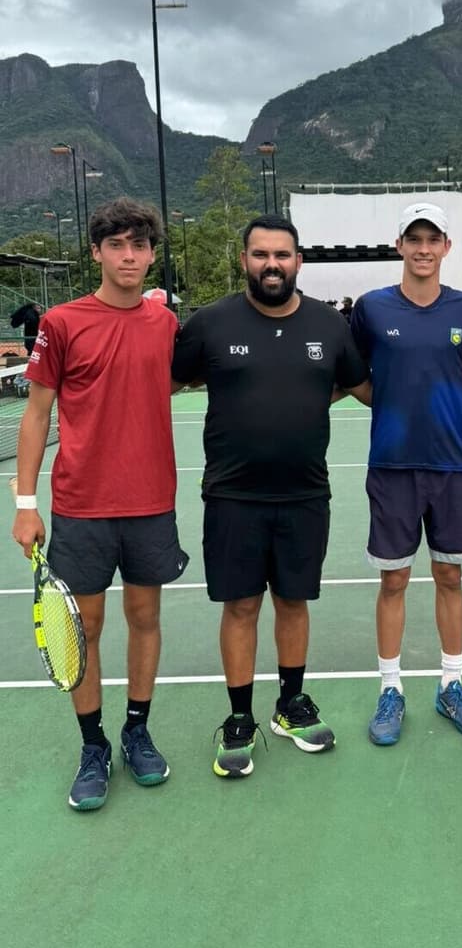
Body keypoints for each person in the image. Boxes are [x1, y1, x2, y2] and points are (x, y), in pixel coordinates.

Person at [171, 215, 370, 779]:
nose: (272, 265)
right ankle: (240, 717)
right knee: (240, 607)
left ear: (298, 261)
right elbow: (160, 384)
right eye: (260, 255)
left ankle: (291, 705)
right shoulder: (210, 323)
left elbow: (362, 387)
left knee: (292, 601)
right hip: (232, 496)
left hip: (305, 494)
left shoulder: (329, 324)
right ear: (245, 261)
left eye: (282, 255)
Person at [12, 197, 187, 811]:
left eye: (139, 245)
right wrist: (25, 502)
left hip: (151, 503)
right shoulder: (61, 323)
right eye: (117, 245)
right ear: (97, 252)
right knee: (83, 627)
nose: (129, 256)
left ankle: (137, 731)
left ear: (151, 254)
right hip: (81, 505)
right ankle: (94, 746)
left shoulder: (165, 324)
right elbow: (36, 416)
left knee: (145, 618)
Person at [350, 202, 462, 746]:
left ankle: (451, 685)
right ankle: (390, 688)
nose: (422, 248)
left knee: (450, 577)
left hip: (453, 465)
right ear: (400, 246)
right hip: (392, 466)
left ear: (446, 247)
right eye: (413, 239)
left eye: (432, 239)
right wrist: (391, 403)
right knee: (393, 580)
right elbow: (354, 376)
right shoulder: (370, 308)